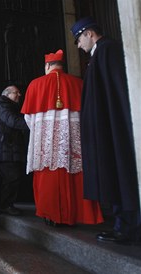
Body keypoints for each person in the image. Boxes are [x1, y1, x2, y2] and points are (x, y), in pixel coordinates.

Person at [71, 17, 140, 242]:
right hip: (106, 128)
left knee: (121, 173)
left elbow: (118, 90)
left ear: (89, 33)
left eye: (79, 39)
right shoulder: (98, 54)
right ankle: (122, 223)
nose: (79, 45)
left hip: (114, 128)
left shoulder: (108, 50)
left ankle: (127, 227)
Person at [21, 50, 103, 226]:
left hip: (46, 144)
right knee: (75, 175)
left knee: (47, 176)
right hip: (73, 142)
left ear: (48, 66)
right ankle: (76, 215)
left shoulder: (35, 85)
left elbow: (28, 119)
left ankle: (51, 215)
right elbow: (88, 115)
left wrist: (43, 133)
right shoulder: (78, 83)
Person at [0, 86, 29, 216]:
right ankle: (5, 205)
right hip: (4, 149)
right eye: (16, 92)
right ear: (7, 94)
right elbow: (13, 121)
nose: (19, 95)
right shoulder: (3, 105)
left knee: (6, 179)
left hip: (5, 149)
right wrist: (34, 123)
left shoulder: (6, 105)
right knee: (12, 177)